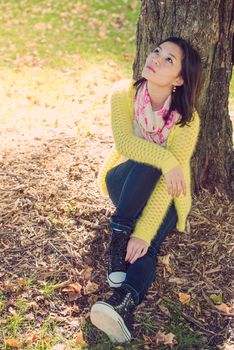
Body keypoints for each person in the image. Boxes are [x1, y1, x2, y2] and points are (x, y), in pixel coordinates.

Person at [90, 36, 202, 344]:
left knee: (147, 244)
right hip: (123, 182)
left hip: (165, 195)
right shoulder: (123, 94)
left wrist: (143, 232)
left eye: (169, 59)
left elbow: (170, 185)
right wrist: (166, 159)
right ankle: (119, 231)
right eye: (157, 51)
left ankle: (122, 303)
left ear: (179, 79)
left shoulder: (186, 122)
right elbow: (126, 144)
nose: (156, 58)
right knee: (154, 159)